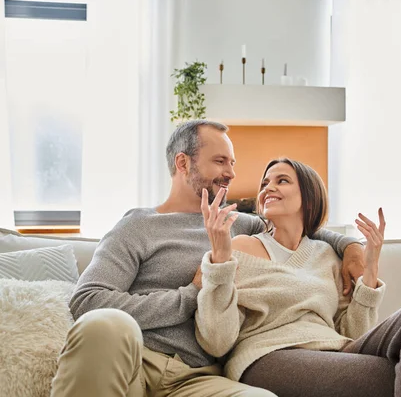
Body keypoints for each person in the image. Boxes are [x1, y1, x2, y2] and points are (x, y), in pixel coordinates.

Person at [50, 120, 366, 397]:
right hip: (135, 362)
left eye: (232, 162)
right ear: (183, 163)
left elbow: (299, 231)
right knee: (105, 324)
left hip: (201, 377)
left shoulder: (242, 224)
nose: (231, 173)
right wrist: (189, 296)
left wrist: (351, 246)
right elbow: (87, 300)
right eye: (220, 161)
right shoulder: (137, 226)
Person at [196, 158, 401, 397]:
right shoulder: (239, 248)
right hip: (268, 355)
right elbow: (217, 342)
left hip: (337, 349)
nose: (268, 187)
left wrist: (370, 272)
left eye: (281, 180)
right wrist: (220, 264)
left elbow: (352, 332)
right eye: (265, 183)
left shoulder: (326, 255)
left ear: (308, 197)